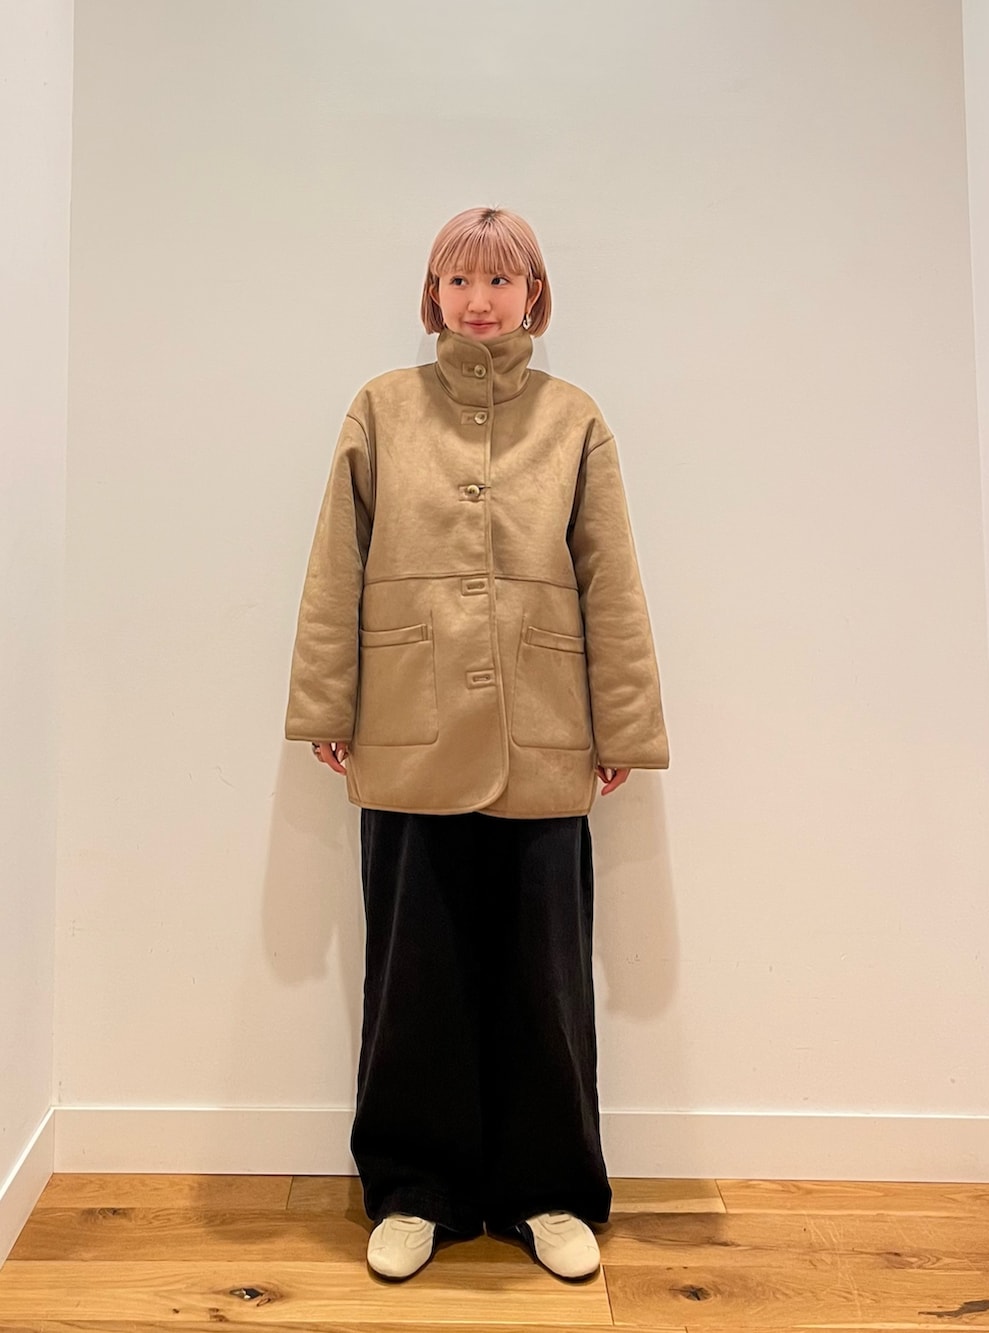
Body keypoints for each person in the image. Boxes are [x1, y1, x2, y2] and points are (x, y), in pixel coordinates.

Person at [285, 206, 669, 1282]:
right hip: (407, 728)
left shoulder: (574, 419)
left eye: (501, 280)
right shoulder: (381, 408)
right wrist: (327, 705)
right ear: (433, 294)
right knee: (415, 975)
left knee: (545, 978)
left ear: (533, 293)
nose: (479, 300)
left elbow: (610, 577)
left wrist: (622, 722)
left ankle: (547, 1190)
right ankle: (415, 1189)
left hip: (543, 733)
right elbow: (336, 564)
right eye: (458, 279)